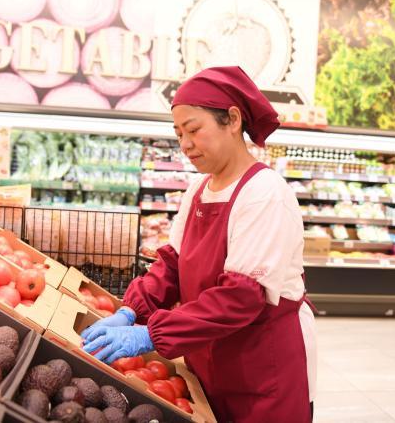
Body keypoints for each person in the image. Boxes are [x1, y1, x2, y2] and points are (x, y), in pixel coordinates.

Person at [82, 66, 317, 422]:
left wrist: (151, 334)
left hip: (262, 364)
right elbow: (171, 264)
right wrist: (131, 309)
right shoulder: (197, 190)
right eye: (179, 134)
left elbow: (240, 297)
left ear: (233, 120)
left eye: (194, 129)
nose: (186, 144)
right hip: (209, 351)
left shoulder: (265, 194)